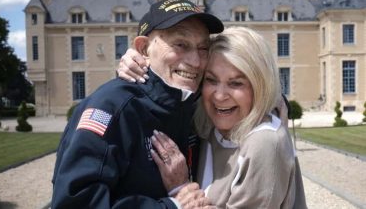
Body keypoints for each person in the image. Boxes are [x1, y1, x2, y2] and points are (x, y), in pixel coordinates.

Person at [51, 0, 224, 209]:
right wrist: (172, 206)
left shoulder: (193, 104)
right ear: (143, 49)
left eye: (203, 48)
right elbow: (75, 203)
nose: (196, 62)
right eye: (180, 44)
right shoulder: (113, 107)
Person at [119, 27, 307, 208]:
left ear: (260, 86)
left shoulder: (264, 143)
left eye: (236, 83)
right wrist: (139, 64)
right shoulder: (208, 124)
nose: (219, 96)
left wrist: (182, 189)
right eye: (211, 79)